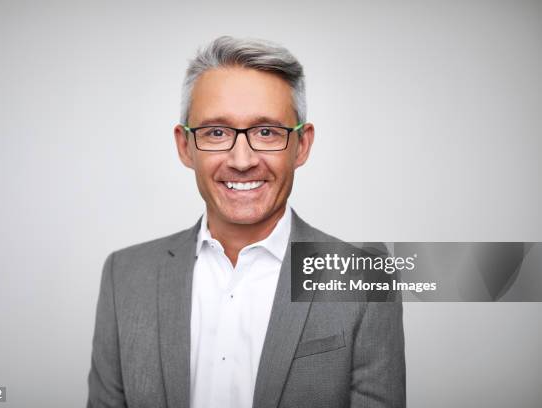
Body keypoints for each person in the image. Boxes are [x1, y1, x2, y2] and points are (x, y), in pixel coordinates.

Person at [87, 35, 405, 408]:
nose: (241, 160)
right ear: (184, 146)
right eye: (216, 132)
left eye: (266, 132)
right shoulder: (123, 276)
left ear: (301, 145)